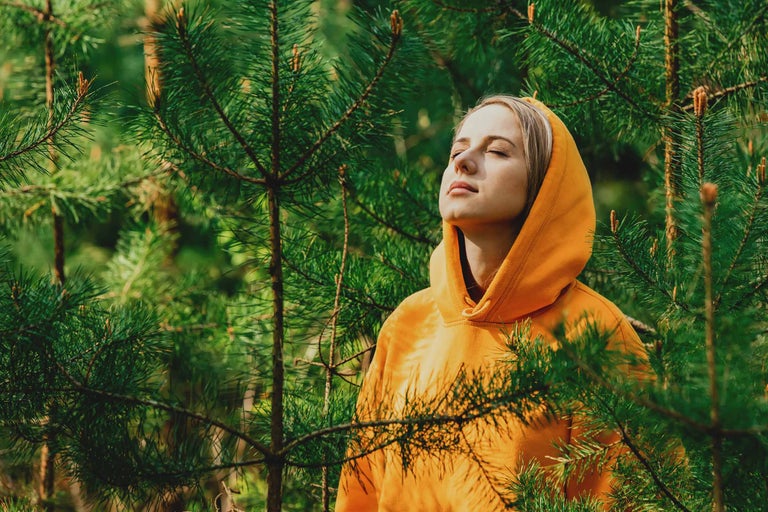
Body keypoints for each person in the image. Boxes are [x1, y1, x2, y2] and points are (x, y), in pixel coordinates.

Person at [335, 95, 645, 510]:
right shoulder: (408, 324)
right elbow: (361, 494)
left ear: (545, 184)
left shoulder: (595, 335)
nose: (463, 162)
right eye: (457, 150)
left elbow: (630, 496)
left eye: (497, 151)